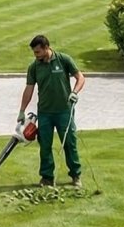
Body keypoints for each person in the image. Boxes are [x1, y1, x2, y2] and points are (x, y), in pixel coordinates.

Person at [17, 34, 86, 187]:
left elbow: (80, 77)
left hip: (64, 111)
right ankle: (47, 177)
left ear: (46, 48)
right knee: (45, 146)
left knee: (69, 143)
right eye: (34, 53)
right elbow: (29, 89)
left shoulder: (63, 60)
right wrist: (22, 110)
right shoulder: (34, 67)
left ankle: (75, 175)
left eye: (38, 52)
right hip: (45, 113)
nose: (36, 55)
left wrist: (74, 92)